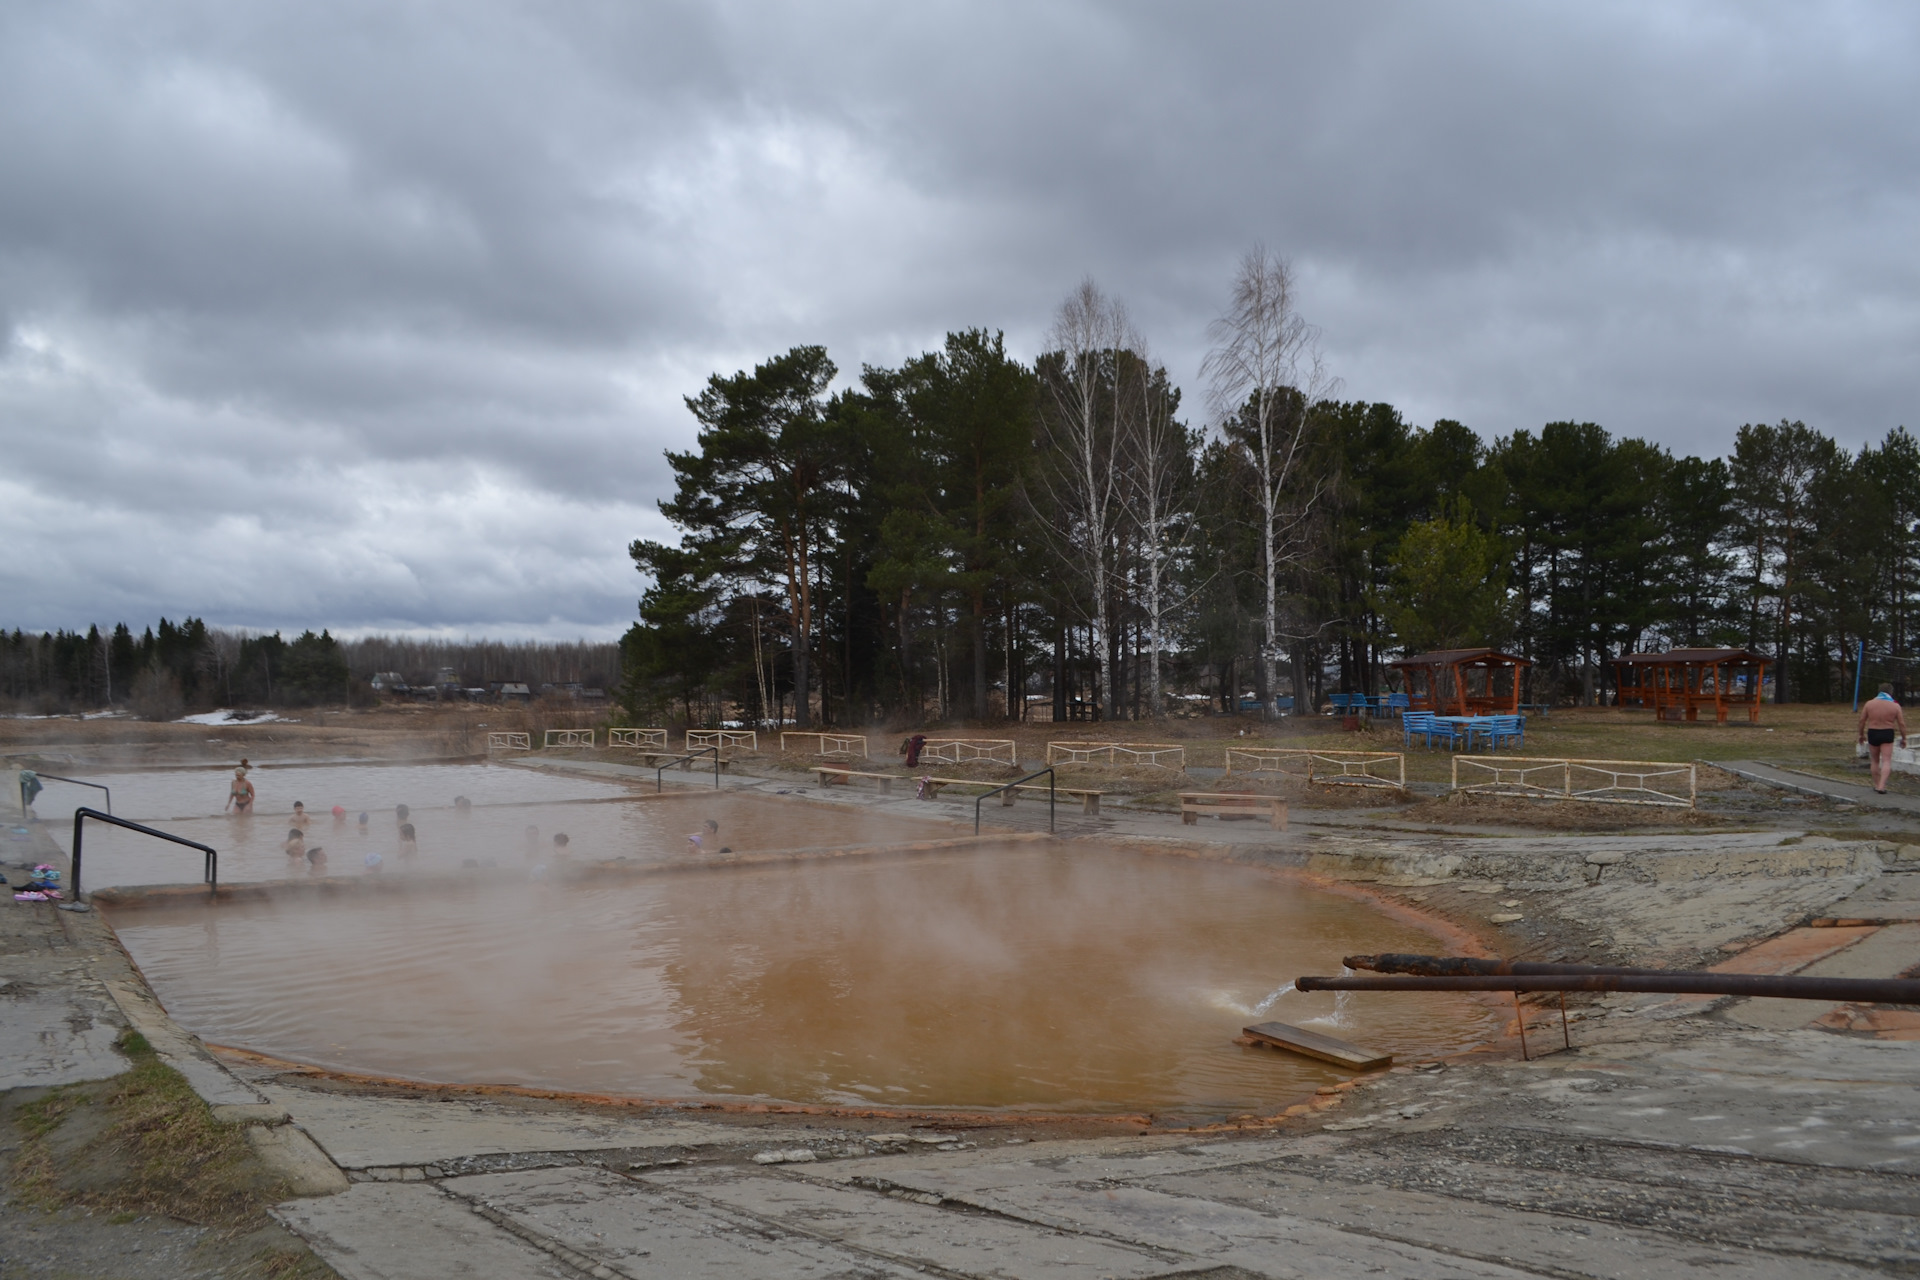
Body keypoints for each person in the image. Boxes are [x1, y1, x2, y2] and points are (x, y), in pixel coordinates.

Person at [1859, 687, 1910, 794]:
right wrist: (1904, 738)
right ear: (1891, 692)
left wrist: (1861, 734)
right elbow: (1901, 724)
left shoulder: (1869, 704)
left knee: (1874, 760)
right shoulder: (1895, 706)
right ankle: (1882, 786)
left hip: (1873, 732)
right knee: (1886, 760)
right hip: (1887, 732)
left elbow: (1862, 720)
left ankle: (1877, 785)